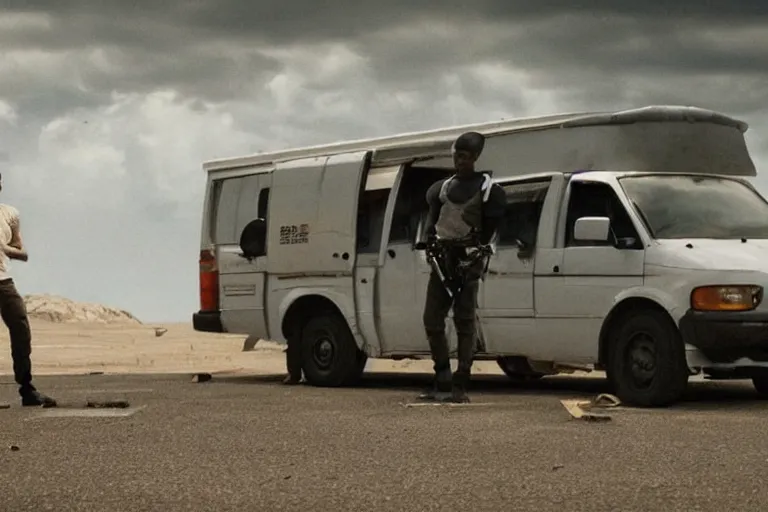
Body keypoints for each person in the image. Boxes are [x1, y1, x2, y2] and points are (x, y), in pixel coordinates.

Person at [419, 131, 507, 403]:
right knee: (432, 318)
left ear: (476, 158)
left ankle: (461, 382)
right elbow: (431, 226)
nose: (460, 161)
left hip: (469, 259)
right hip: (443, 258)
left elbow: (490, 231)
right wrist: (429, 245)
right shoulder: (440, 189)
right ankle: (442, 376)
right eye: (457, 155)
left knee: (464, 321)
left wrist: (476, 257)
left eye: (466, 156)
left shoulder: (489, 191)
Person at [0, 173, 57, 407]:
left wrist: (4, 248)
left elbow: (21, 252)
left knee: (21, 327)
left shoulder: (10, 214)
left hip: (3, 281)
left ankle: (27, 389)